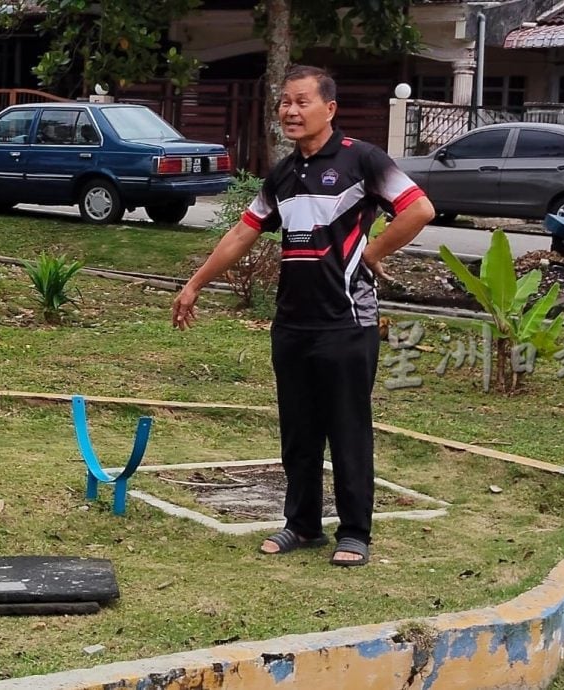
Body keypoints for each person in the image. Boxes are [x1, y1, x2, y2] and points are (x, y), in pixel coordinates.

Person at [172, 66, 435, 567]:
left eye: (302, 102)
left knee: (347, 427)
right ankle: (303, 525)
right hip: (292, 322)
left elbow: (419, 209)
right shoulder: (284, 174)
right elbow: (241, 234)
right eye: (284, 103)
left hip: (347, 321)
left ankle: (355, 532)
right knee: (298, 429)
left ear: (329, 109)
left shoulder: (363, 160)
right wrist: (194, 284)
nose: (291, 111)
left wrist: (371, 252)